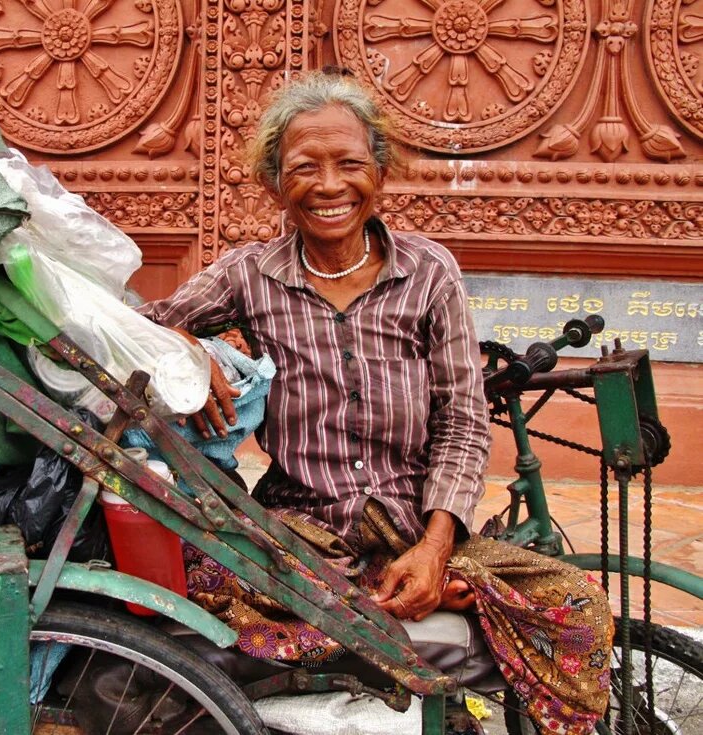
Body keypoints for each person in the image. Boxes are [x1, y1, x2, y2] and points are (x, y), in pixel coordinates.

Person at [137, 70, 612, 735]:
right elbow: (137, 322)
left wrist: (437, 546)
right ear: (276, 182)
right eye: (305, 168)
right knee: (205, 580)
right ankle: (373, 623)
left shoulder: (429, 273)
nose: (329, 186)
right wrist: (186, 349)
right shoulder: (250, 273)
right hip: (303, 529)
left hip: (415, 525)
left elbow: (462, 419)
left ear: (380, 174)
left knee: (575, 602)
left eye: (349, 164)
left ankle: (405, 600)